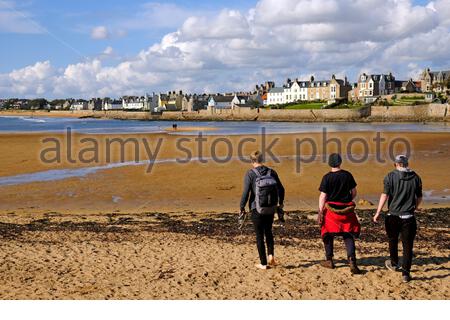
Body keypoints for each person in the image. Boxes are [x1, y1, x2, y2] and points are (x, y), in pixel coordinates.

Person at [373, 155, 422, 283]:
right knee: (408, 246)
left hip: (393, 216)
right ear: (406, 164)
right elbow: (419, 197)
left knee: (392, 240)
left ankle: (394, 263)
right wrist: (414, 207)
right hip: (409, 217)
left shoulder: (390, 176)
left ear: (397, 164)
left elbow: (385, 195)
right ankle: (405, 274)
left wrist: (378, 212)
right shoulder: (416, 177)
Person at [240, 151, 285, 270]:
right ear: (263, 159)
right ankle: (271, 256)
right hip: (270, 208)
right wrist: (280, 204)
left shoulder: (250, 173)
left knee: (259, 236)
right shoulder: (272, 172)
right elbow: (281, 189)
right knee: (268, 232)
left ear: (252, 161)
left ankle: (263, 263)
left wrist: (241, 207)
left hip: (256, 208)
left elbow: (246, 193)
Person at [318, 153, 362, 274]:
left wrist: (320, 211)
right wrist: (348, 200)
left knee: (327, 234)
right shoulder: (347, 175)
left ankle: (329, 260)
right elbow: (354, 192)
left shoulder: (327, 177)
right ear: (340, 162)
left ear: (329, 163)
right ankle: (352, 261)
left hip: (331, 211)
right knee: (348, 235)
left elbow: (323, 196)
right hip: (347, 211)